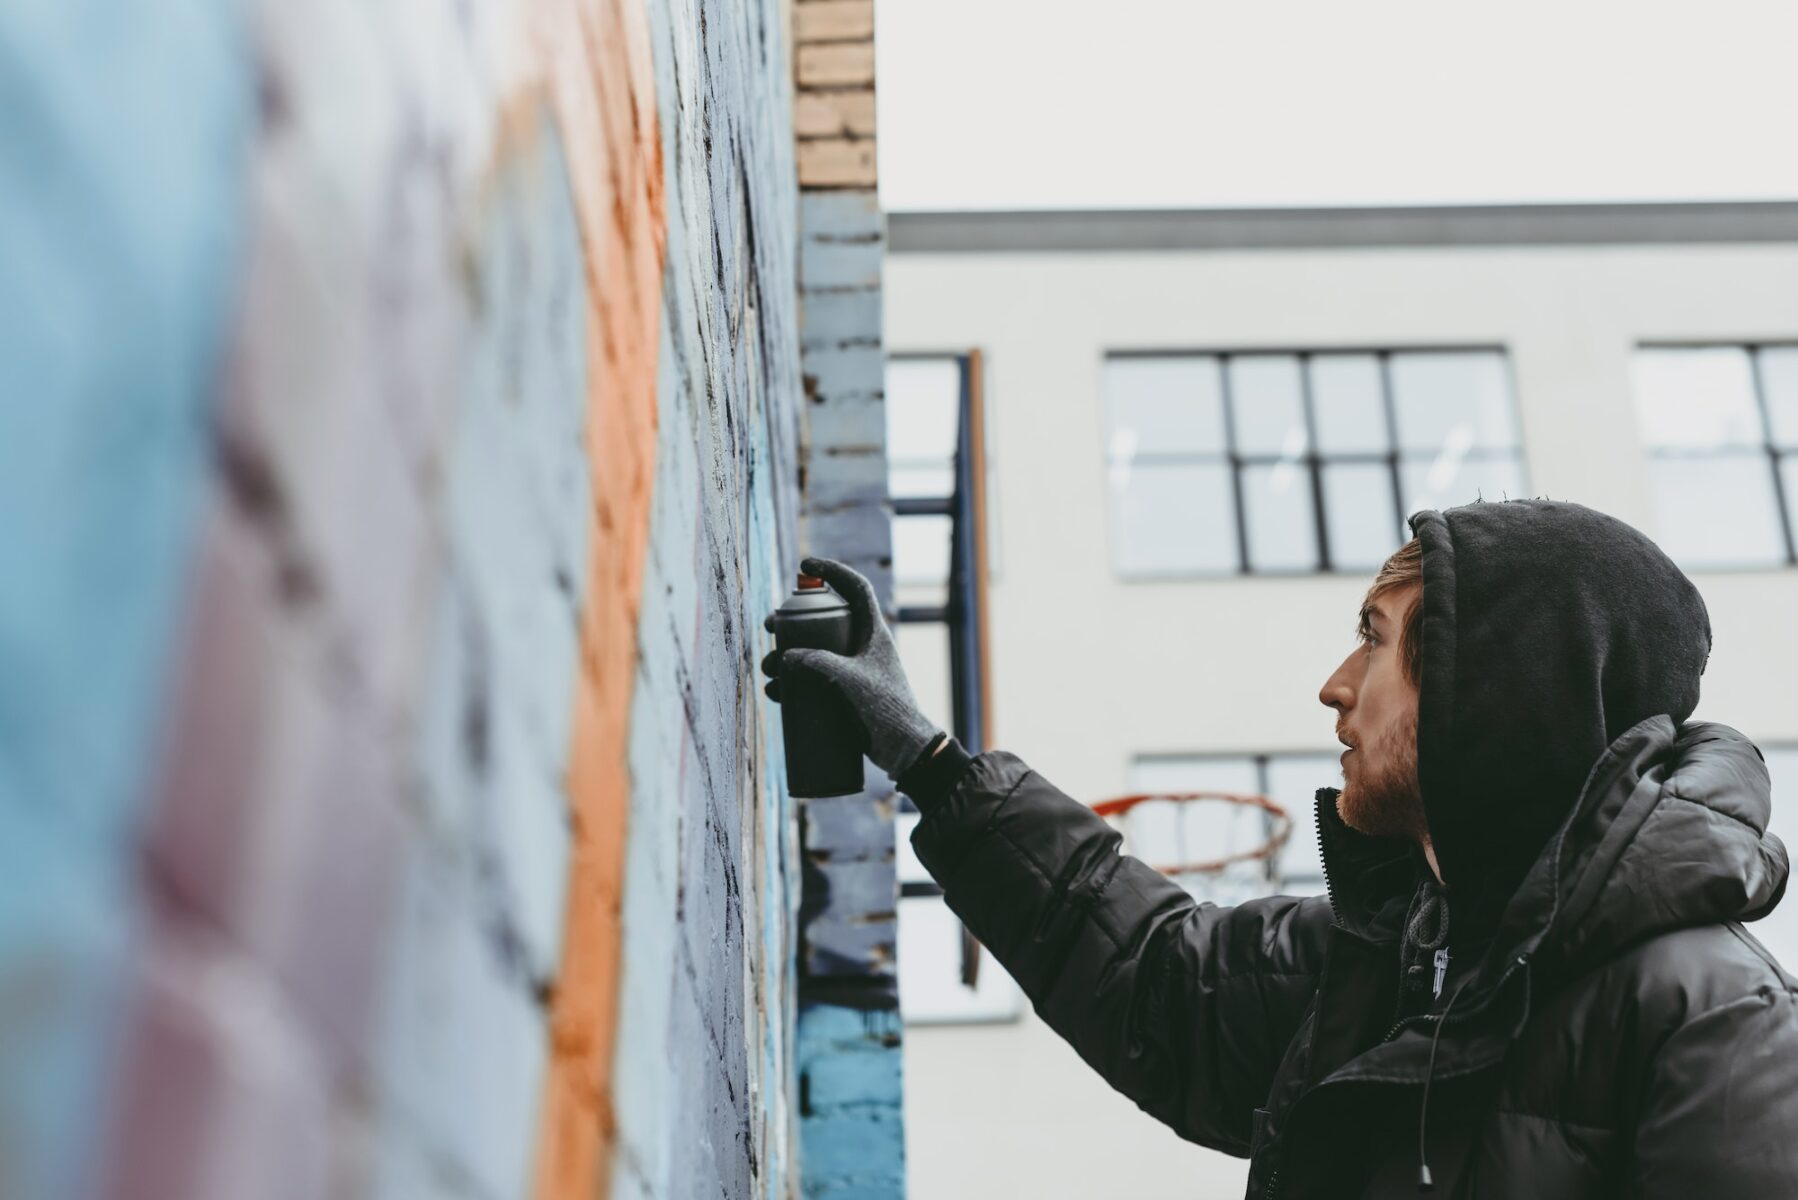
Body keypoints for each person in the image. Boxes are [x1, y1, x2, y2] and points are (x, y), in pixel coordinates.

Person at [761, 499, 1798, 1198]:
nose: (1336, 683)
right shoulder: (1399, 956)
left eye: (1378, 637)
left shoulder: (1718, 1026)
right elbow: (1157, 979)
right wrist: (933, 765)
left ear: (1498, 695)